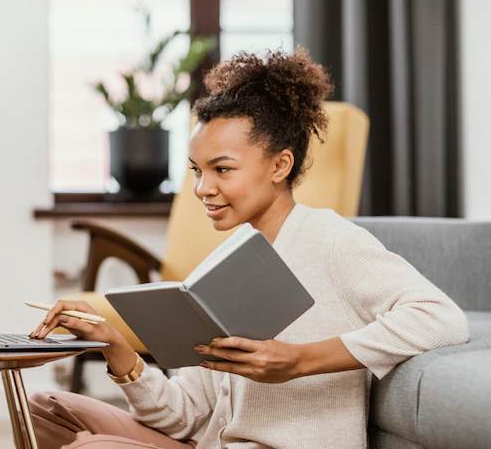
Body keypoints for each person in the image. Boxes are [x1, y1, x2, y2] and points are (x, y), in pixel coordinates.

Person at [28, 48, 470, 449]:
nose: (203, 188)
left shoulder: (331, 240)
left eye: (222, 169)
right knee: (44, 408)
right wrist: (114, 346)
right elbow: (183, 415)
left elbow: (440, 317)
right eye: (197, 171)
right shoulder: (223, 262)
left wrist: (299, 360)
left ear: (281, 165)